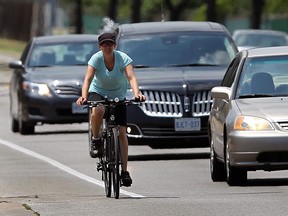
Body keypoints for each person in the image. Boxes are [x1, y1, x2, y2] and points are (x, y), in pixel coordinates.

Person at [76, 32, 146, 187]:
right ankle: (95, 139)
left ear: (115, 45)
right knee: (98, 110)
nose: (107, 47)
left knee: (122, 133)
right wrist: (83, 96)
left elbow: (131, 77)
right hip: (98, 92)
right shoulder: (96, 59)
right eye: (104, 44)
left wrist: (137, 94)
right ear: (100, 46)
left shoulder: (123, 58)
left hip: (118, 96)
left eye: (110, 44)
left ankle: (125, 171)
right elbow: (87, 79)